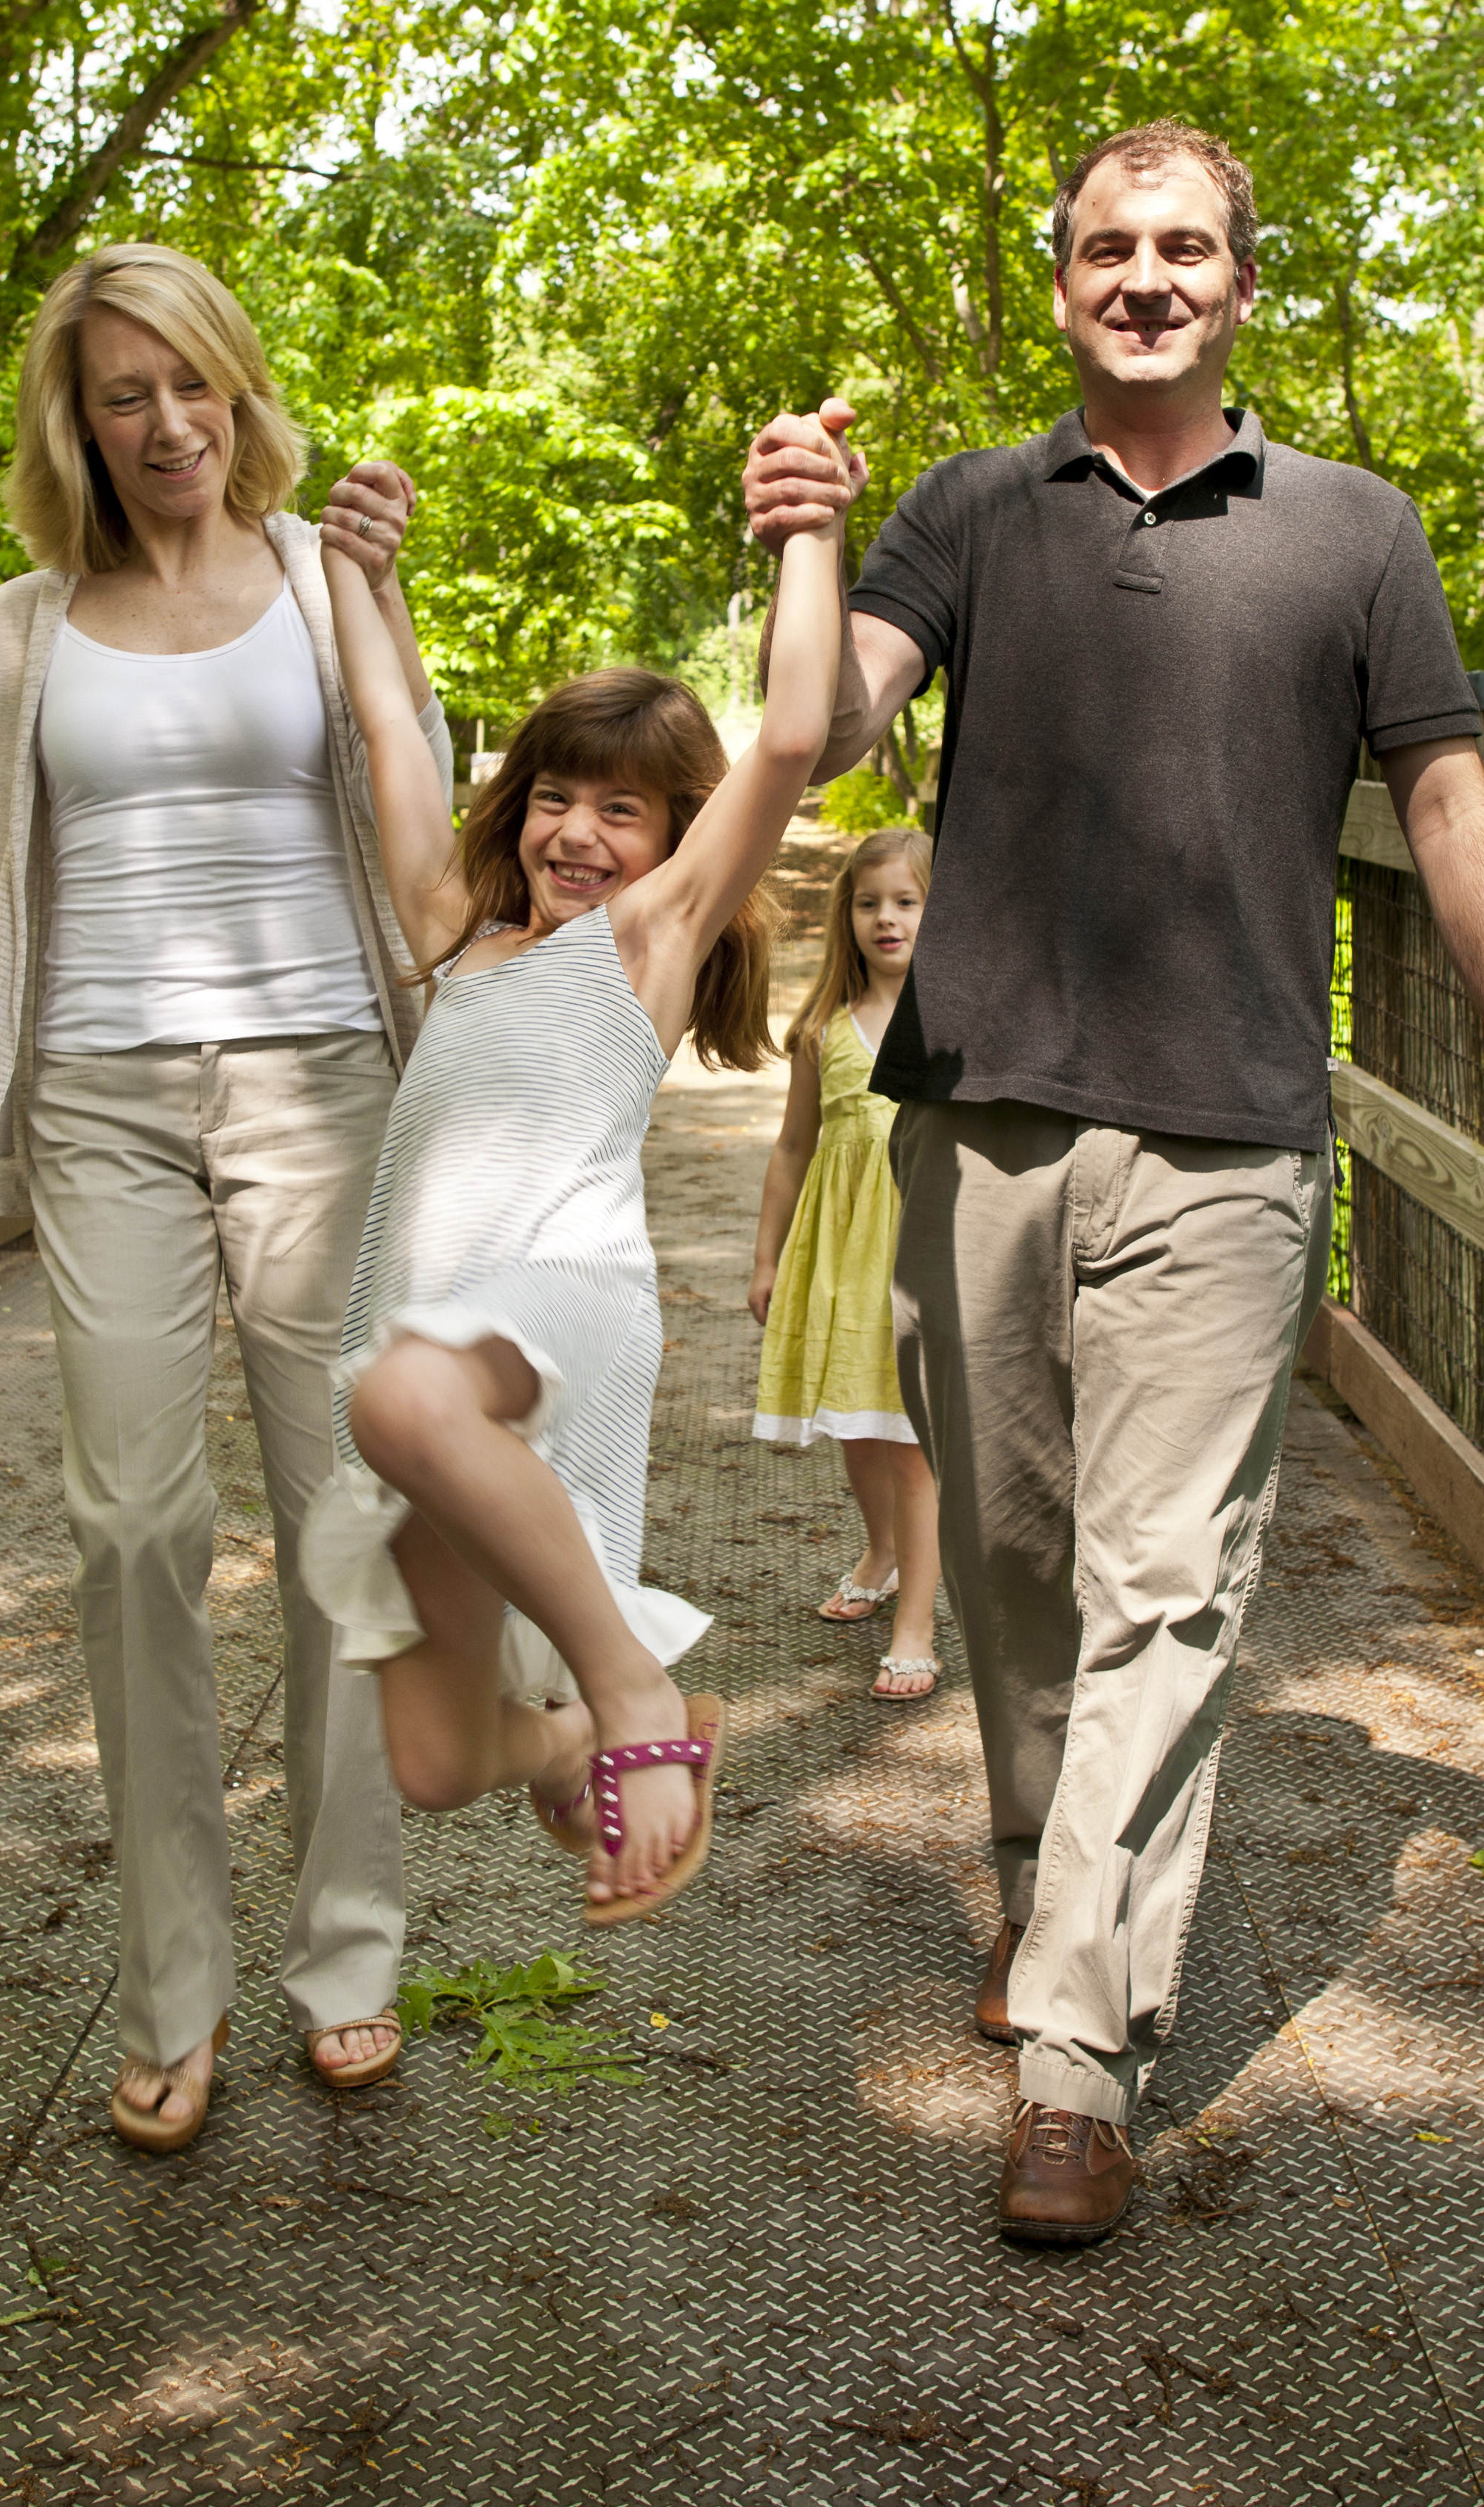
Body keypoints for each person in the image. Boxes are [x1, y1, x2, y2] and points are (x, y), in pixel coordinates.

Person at [741, 123, 1484, 2248]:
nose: (1147, 275)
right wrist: (806, 539)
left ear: (1240, 280)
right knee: (1020, 1566)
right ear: (1062, 287)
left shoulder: (1355, 533)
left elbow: (1454, 800)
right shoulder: (971, 512)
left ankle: (1077, 2055)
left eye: (1185, 245)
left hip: (1228, 1136)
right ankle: (1056, 1905)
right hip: (977, 1120)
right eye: (1109, 247)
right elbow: (832, 730)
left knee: (1169, 1582)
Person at [0, 242, 446, 2156]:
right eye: (127, 394)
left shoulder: (319, 572)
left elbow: (414, 790)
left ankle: (348, 1952)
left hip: (320, 1088)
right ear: (82, 424)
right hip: (105, 1104)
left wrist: (372, 596)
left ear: (239, 392)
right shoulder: (26, 622)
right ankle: (171, 1987)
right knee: (128, 1524)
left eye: (193, 382)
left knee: (341, 1522)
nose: (169, 421)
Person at [292, 472, 848, 1921]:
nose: (580, 835)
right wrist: (363, 567)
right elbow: (383, 737)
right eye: (557, 799)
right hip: (426, 1341)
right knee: (431, 1758)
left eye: (625, 811)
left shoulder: (648, 947)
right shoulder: (451, 937)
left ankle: (636, 1686)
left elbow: (791, 735)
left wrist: (813, 535)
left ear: (675, 847)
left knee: (403, 1404)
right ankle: (596, 1731)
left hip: (560, 1300)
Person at [748, 827, 943, 1700]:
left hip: (924, 1253)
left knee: (914, 1446)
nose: (887, 919)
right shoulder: (822, 1031)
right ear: (846, 917)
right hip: (841, 1255)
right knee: (858, 1426)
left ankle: (918, 1623)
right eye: (870, 904)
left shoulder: (954, 1022)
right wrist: (768, 1260)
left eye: (907, 901)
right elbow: (794, 1148)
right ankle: (883, 1548)